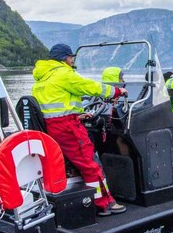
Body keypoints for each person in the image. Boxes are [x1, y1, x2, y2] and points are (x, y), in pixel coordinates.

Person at [32, 44, 127, 216]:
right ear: (65, 58)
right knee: (90, 164)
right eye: (71, 57)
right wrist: (116, 91)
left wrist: (80, 114)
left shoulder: (42, 78)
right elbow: (90, 87)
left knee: (82, 162)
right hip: (68, 127)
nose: (72, 60)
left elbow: (57, 107)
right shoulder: (63, 73)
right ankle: (105, 203)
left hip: (55, 127)